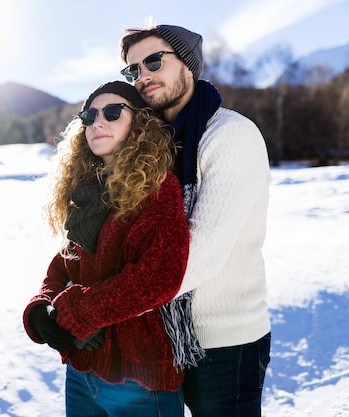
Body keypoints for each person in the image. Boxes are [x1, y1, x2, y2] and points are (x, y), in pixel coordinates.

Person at [119, 24, 272, 417]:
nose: (143, 76)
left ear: (188, 65)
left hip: (223, 344)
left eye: (154, 61)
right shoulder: (148, 149)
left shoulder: (230, 135)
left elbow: (199, 254)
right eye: (133, 70)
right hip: (160, 338)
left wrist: (106, 305)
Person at [23, 80, 192, 417]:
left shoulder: (157, 186)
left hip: (140, 378)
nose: (98, 122)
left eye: (113, 112)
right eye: (89, 115)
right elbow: (65, 264)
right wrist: (42, 308)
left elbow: (159, 277)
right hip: (82, 372)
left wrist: (78, 313)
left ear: (139, 122)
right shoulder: (87, 191)